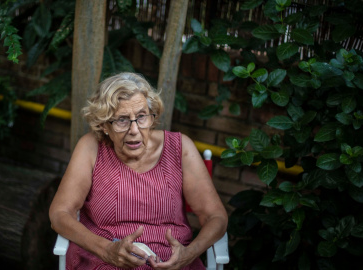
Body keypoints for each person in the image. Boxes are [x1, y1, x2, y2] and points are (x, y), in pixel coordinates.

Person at [49, 72, 228, 269]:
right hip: (104, 258)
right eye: (122, 120)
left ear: (152, 117)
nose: (134, 130)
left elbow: (216, 216)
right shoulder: (91, 148)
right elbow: (60, 213)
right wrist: (106, 250)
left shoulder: (180, 148)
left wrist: (189, 254)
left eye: (142, 117)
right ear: (104, 125)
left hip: (172, 262)